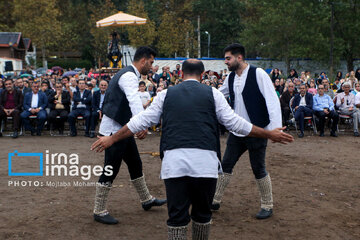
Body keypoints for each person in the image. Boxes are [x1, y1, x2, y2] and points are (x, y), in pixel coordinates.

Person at [90, 59, 293, 240]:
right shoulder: (213, 94)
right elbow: (237, 124)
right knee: (202, 217)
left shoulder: (165, 94)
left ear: (181, 74)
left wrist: (112, 138)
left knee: (177, 219)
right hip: (206, 165)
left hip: (174, 164)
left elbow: (138, 122)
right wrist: (269, 133)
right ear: (203, 75)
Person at [91, 46, 166, 225]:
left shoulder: (128, 74)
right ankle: (99, 210)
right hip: (114, 132)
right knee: (111, 169)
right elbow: (134, 101)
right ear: (143, 61)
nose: (152, 66)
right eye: (151, 62)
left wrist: (137, 124)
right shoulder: (129, 76)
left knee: (135, 164)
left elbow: (133, 103)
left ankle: (146, 200)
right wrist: (141, 124)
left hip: (122, 128)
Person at [212, 43, 282, 219]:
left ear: (239, 57)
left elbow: (272, 100)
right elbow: (218, 96)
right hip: (237, 132)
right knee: (225, 165)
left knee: (258, 168)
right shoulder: (230, 78)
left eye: (228, 58)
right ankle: (214, 200)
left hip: (257, 131)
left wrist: (275, 129)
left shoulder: (258, 74)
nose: (225, 62)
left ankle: (267, 205)